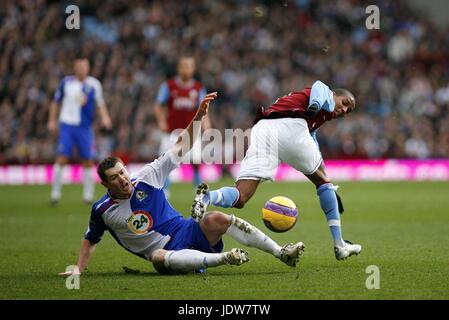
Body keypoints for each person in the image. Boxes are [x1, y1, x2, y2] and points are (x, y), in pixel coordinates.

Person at [58, 92, 305, 277]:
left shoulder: (147, 177)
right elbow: (91, 238)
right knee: (156, 257)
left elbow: (181, 147)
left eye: (122, 172)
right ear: (105, 184)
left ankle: (282, 252)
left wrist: (197, 118)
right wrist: (78, 269)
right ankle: (224, 258)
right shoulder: (102, 210)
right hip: (166, 254)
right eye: (115, 177)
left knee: (216, 218)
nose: (123, 179)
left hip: (186, 230)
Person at [192, 80, 362, 261]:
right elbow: (320, 89)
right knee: (323, 184)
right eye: (344, 104)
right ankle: (339, 245)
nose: (344, 111)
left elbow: (312, 140)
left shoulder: (315, 118)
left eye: (348, 111)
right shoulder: (323, 93)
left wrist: (325, 181)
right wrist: (326, 185)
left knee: (241, 197)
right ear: (335, 95)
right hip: (289, 127)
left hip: (264, 130)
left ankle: (208, 197)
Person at [48, 58, 112, 206]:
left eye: (85, 66)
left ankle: (87, 196)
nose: (82, 69)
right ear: (74, 68)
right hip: (67, 126)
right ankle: (55, 194)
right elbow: (55, 102)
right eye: (79, 66)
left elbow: (100, 103)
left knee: (88, 161)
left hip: (85, 128)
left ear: (88, 68)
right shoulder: (66, 82)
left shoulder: (94, 84)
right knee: (61, 158)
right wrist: (52, 120)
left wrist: (105, 117)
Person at [153, 56, 211, 196]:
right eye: (183, 65)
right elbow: (158, 106)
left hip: (192, 132)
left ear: (193, 69)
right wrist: (161, 120)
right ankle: (164, 190)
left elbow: (204, 108)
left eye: (189, 66)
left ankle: (198, 189)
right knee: (167, 161)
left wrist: (207, 125)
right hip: (171, 132)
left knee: (196, 161)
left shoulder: (198, 88)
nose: (186, 69)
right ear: (179, 68)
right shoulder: (168, 86)